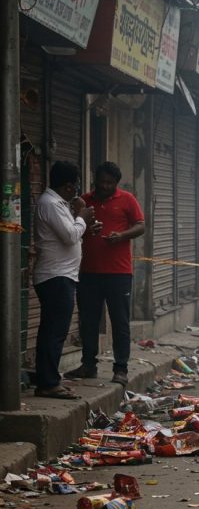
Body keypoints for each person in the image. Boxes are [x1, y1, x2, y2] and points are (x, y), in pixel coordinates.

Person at [63, 162, 146, 385]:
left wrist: (122, 235)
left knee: (120, 321)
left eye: (109, 183)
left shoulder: (127, 199)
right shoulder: (84, 201)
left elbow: (141, 225)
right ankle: (88, 364)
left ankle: (121, 368)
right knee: (88, 321)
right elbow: (72, 228)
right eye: (101, 182)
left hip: (119, 272)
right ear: (95, 180)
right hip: (88, 271)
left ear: (116, 183)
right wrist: (87, 230)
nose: (105, 186)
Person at [33, 161, 96, 399]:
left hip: (62, 275)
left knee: (52, 330)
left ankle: (48, 380)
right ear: (69, 186)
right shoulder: (50, 204)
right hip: (56, 276)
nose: (77, 191)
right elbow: (70, 236)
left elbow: (71, 234)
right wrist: (82, 217)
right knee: (54, 332)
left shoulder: (58, 204)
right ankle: (48, 383)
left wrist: (84, 225)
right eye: (76, 186)